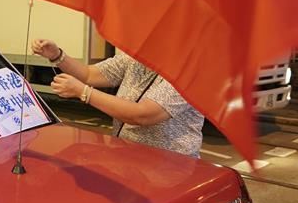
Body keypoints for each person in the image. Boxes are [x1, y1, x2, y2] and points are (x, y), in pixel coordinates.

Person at [31, 38, 204, 157]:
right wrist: (57, 55)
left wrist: (85, 93)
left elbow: (143, 114)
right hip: (131, 158)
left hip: (172, 168)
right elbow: (90, 74)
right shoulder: (134, 60)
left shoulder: (189, 71)